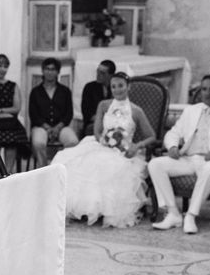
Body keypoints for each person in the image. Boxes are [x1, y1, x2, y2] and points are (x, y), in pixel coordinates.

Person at [51, 72, 156, 227]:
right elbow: (97, 130)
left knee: (112, 167)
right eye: (113, 87)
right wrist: (104, 140)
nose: (117, 90)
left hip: (123, 151)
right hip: (102, 145)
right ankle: (81, 208)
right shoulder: (104, 105)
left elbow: (151, 136)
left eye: (121, 86)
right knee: (71, 160)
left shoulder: (136, 110)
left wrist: (136, 146)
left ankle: (104, 210)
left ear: (128, 87)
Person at [148, 75, 210, 234]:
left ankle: (191, 215)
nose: (207, 93)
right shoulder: (191, 110)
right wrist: (173, 146)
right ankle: (173, 213)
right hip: (188, 158)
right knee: (155, 164)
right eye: (204, 89)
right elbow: (173, 133)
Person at [29, 57, 78, 168]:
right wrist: (47, 127)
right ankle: (44, 169)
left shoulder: (65, 91)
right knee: (38, 143)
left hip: (61, 126)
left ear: (57, 72)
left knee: (73, 141)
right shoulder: (36, 91)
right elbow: (33, 114)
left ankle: (63, 168)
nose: (50, 72)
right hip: (41, 126)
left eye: (53, 69)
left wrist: (57, 127)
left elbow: (69, 113)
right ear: (42, 70)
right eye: (47, 69)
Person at [81, 59, 116, 136]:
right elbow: (86, 112)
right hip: (94, 123)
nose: (98, 75)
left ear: (111, 75)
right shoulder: (89, 87)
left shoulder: (116, 89)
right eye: (97, 71)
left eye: (102, 73)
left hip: (114, 123)